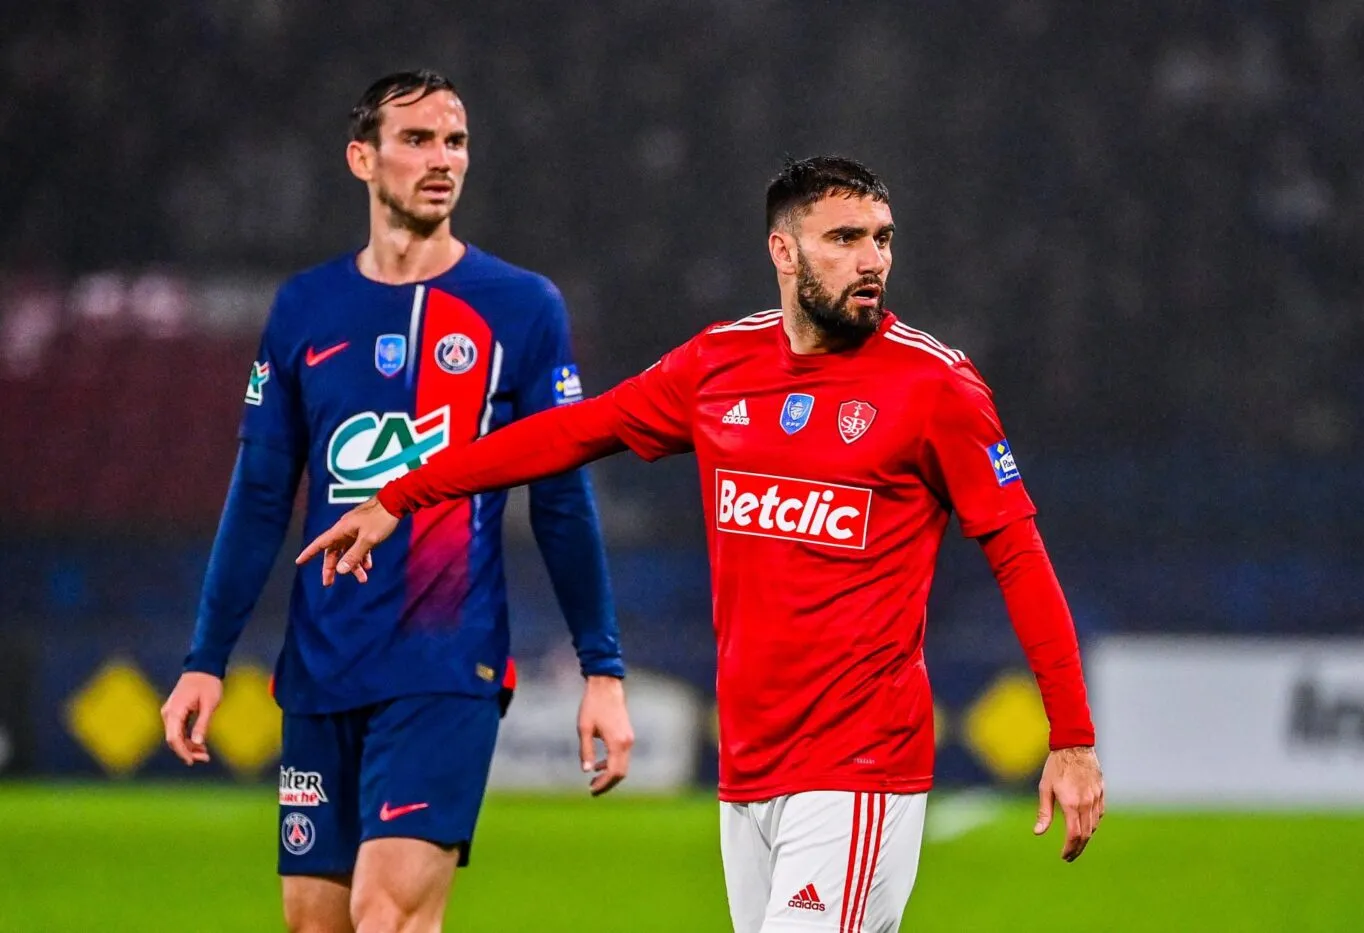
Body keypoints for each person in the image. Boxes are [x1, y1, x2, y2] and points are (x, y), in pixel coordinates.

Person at [299, 155, 1105, 932]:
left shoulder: (935, 387)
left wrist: (1071, 737)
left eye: (882, 238)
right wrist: (404, 494)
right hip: (747, 769)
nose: (872, 261)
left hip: (860, 768)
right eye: (845, 238)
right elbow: (578, 430)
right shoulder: (719, 364)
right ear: (783, 251)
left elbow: (1019, 557)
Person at [159, 70, 634, 933]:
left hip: (445, 665)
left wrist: (601, 667)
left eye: (455, 141)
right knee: (317, 924)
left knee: (388, 916)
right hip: (321, 665)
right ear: (361, 159)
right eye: (416, 140)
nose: (442, 158)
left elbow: (563, 499)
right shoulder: (305, 307)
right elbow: (261, 494)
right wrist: (205, 656)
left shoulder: (520, 308)